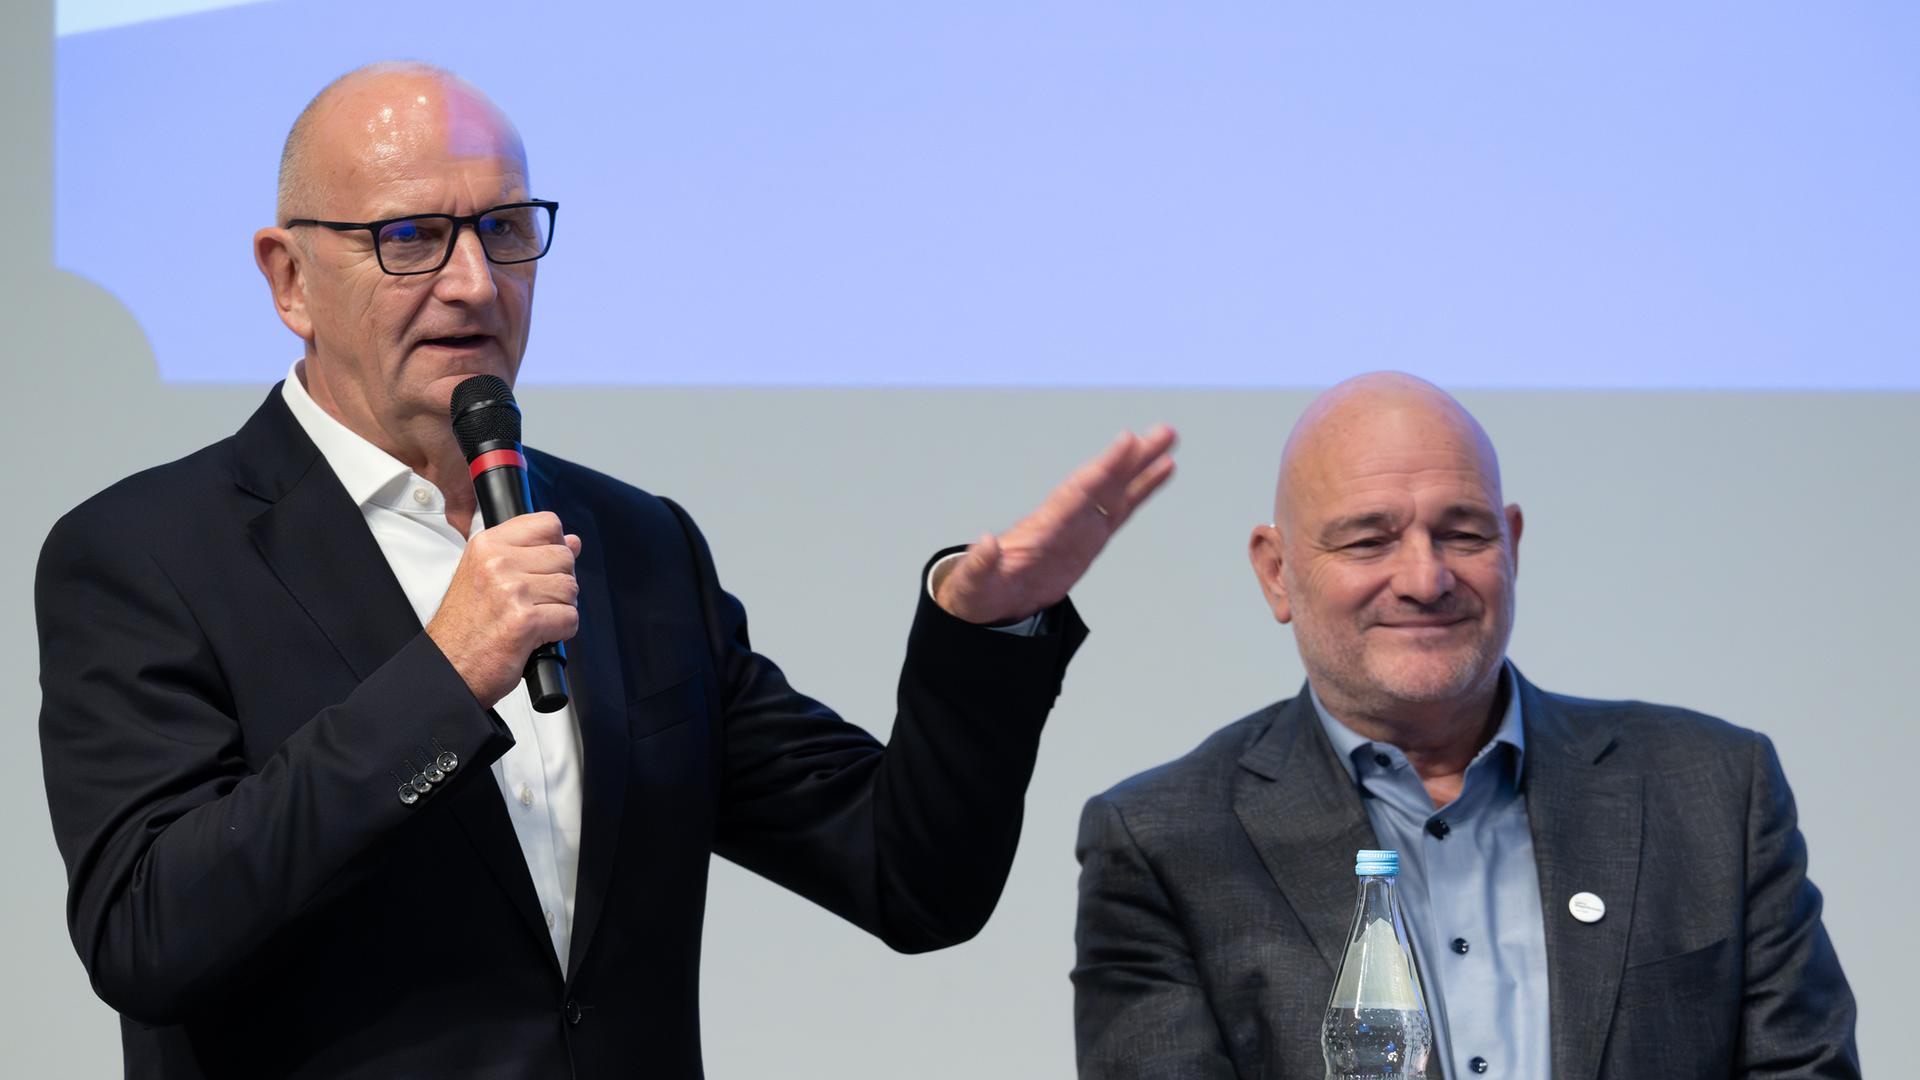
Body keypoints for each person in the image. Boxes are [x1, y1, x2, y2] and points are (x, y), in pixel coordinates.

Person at [36, 62, 1175, 1079]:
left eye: (506, 229)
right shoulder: (148, 555)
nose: (477, 283)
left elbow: (909, 879)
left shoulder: (633, 545)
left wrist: (983, 637)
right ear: (288, 279)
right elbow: (149, 934)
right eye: (411, 238)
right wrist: (444, 677)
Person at [1071, 372, 1856, 1079]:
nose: (1425, 578)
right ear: (1277, 572)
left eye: (1463, 533)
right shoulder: (1165, 842)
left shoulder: (1715, 790)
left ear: (1511, 545)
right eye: (1369, 538)